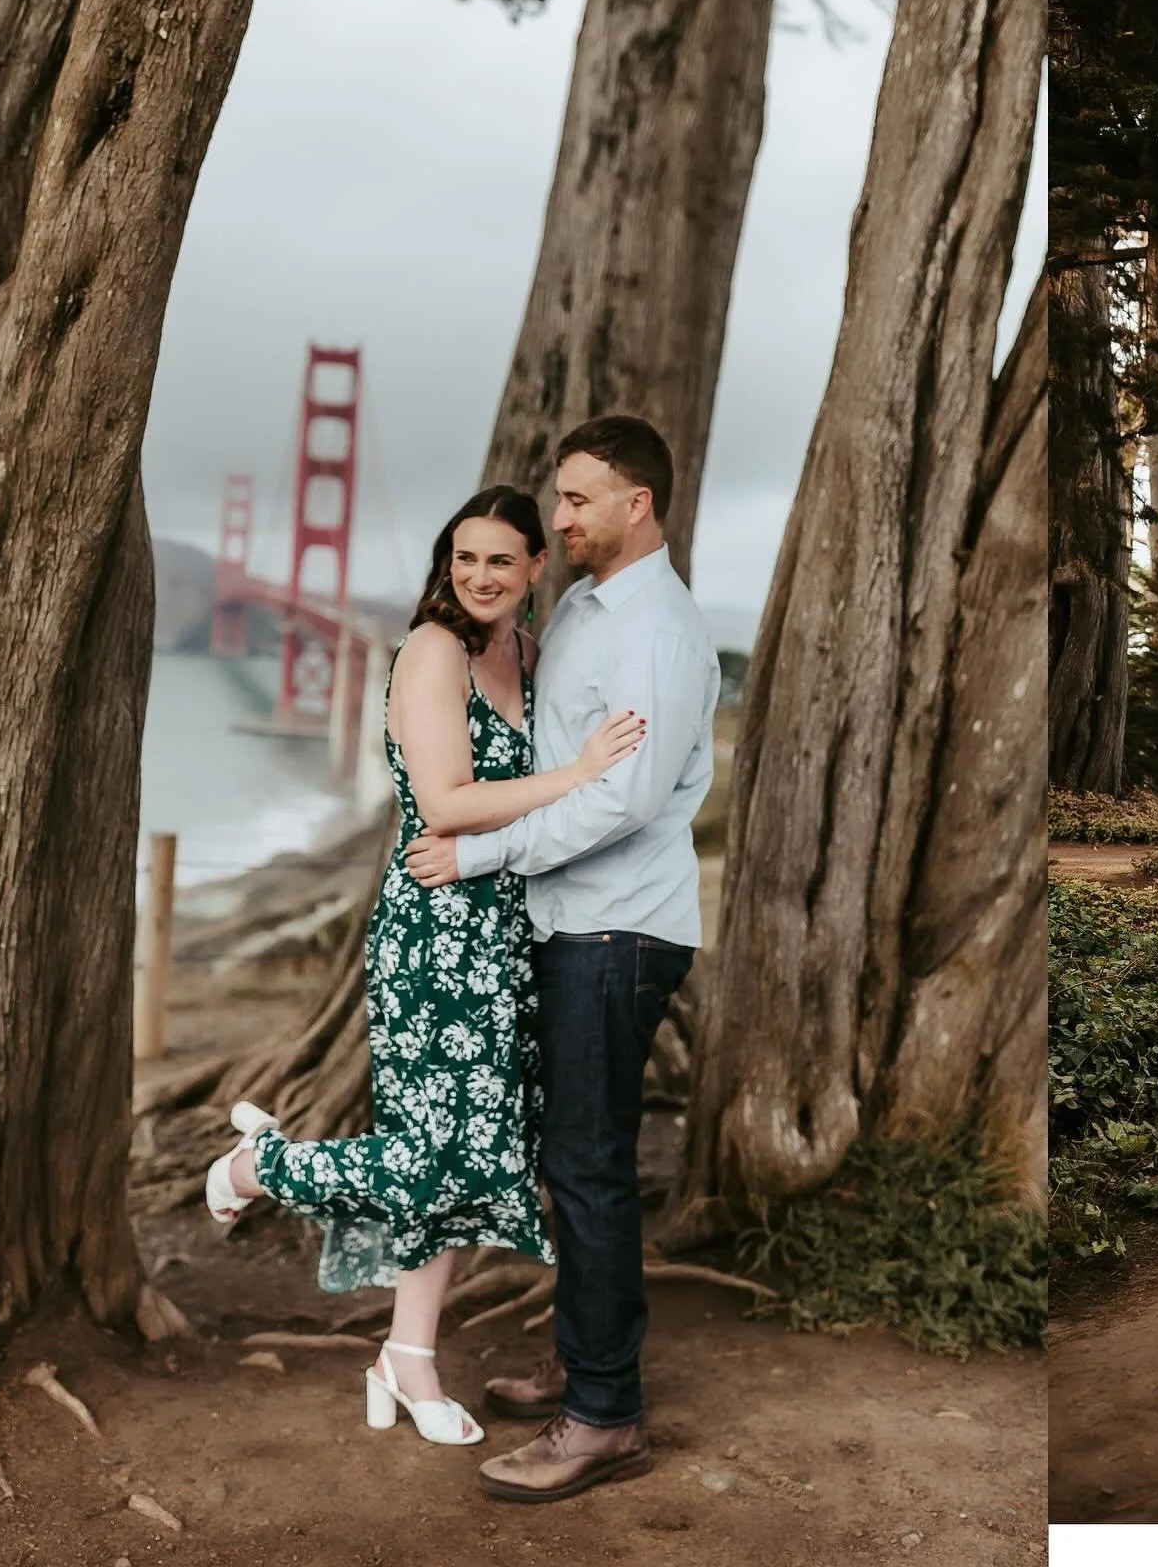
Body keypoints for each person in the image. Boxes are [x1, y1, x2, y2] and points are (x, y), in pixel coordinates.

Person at [204, 484, 646, 1447]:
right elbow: (445, 803)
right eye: (465, 559)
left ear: (537, 569)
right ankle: (258, 1163)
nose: (481, 577)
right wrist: (577, 774)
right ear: (447, 568)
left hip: (506, 932)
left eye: (502, 560)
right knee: (429, 1153)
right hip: (435, 932)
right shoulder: (428, 652)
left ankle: (408, 1354)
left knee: (478, 1156)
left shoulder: (528, 654)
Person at [404, 415, 719, 1503]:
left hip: (618, 927)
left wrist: (483, 853)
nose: (564, 515)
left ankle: (603, 1418)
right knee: (567, 1161)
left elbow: (624, 804)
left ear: (639, 503)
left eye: (581, 499)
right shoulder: (583, 602)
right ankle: (588, 1360)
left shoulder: (661, 633)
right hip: (566, 922)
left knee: (589, 1168)